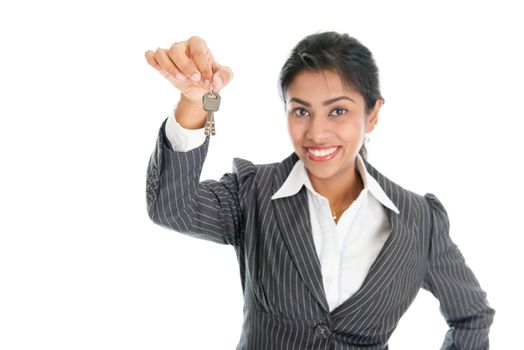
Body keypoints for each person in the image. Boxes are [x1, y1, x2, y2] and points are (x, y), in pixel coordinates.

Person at [144, 32, 494, 349]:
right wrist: (196, 102)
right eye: (301, 111)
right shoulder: (253, 193)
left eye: (338, 111)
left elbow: (471, 316)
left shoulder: (421, 221)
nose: (316, 133)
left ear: (372, 115)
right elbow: (173, 207)